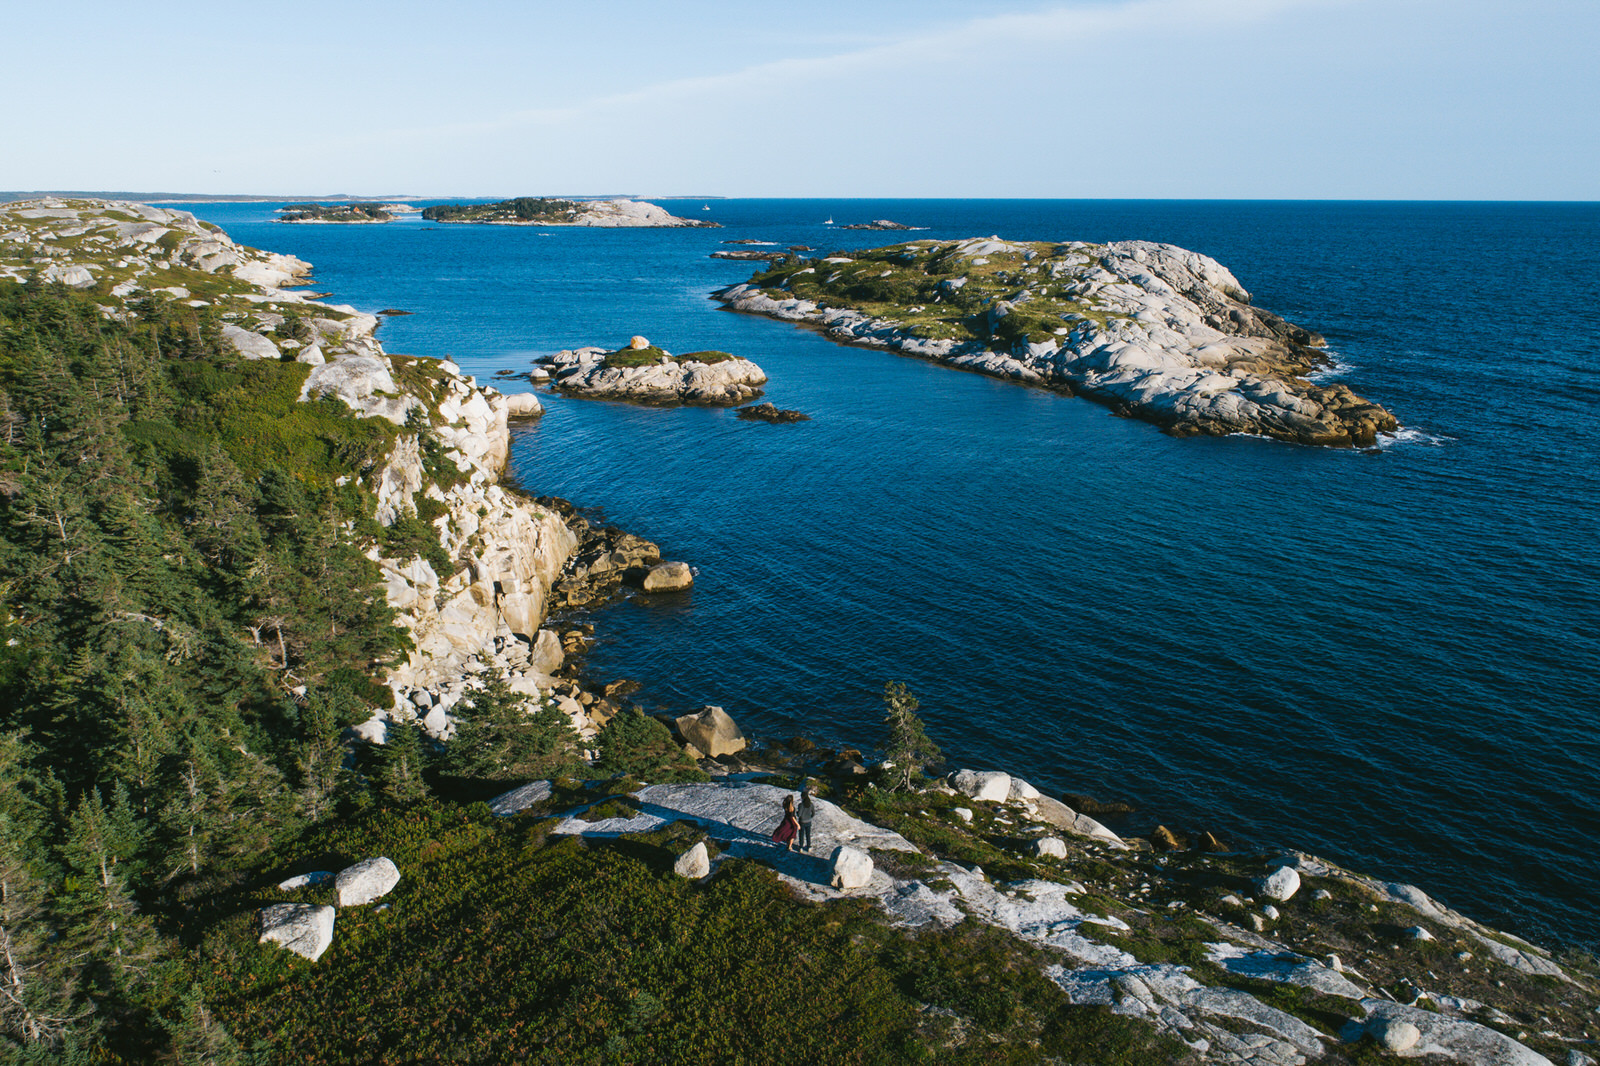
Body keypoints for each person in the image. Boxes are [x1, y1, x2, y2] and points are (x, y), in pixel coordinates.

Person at [796, 783, 815, 852]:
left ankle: (801, 847)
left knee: (801, 835)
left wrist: (797, 813)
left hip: (802, 822)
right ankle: (809, 846)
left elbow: (799, 815)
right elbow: (813, 813)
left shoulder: (801, 805)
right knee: (808, 835)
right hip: (809, 821)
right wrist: (810, 817)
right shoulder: (811, 804)